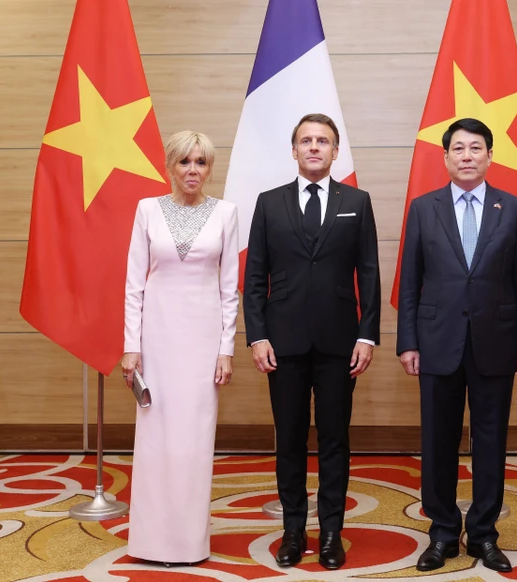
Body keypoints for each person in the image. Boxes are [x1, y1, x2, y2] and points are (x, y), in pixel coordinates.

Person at [396, 118, 517, 573]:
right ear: (445, 157)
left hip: (495, 341)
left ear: (490, 156)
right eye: (458, 148)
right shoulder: (423, 208)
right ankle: (442, 533)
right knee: (437, 442)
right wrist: (407, 341)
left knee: (491, 443)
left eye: (475, 148)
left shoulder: (512, 208)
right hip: (436, 342)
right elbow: (410, 281)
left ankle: (483, 534)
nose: (466, 156)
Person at [243, 113, 381, 570]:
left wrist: (367, 335)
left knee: (335, 439)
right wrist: (257, 336)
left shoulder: (356, 201)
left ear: (336, 151)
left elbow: (369, 273)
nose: (315, 147)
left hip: (340, 342)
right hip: (282, 343)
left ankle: (332, 534)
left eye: (323, 141)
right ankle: (293, 531)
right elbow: (255, 276)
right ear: (294, 150)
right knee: (289, 440)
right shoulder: (269, 203)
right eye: (306, 141)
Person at [122, 131, 239, 565]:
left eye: (201, 162)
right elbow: (134, 284)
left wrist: (226, 349)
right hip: (156, 338)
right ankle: (150, 542)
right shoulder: (147, 209)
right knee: (155, 438)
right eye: (185, 162)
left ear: (210, 168)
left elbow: (230, 289)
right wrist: (131, 346)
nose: (193, 170)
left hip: (203, 341)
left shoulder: (226, 213)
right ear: (170, 166)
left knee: (195, 440)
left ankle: (189, 543)